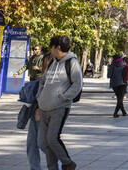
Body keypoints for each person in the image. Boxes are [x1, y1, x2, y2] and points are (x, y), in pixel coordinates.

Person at [35, 36, 82, 170]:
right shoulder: (52, 62)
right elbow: (43, 81)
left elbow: (77, 85)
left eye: (52, 47)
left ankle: (67, 163)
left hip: (59, 108)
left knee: (52, 138)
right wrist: (40, 97)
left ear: (58, 48)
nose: (51, 50)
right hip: (44, 107)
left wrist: (62, 97)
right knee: (46, 142)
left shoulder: (72, 63)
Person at [25, 52, 53, 170]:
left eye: (43, 62)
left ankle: (61, 165)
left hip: (44, 113)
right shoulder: (43, 76)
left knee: (42, 144)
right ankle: (34, 168)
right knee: (31, 144)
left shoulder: (53, 78)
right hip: (35, 112)